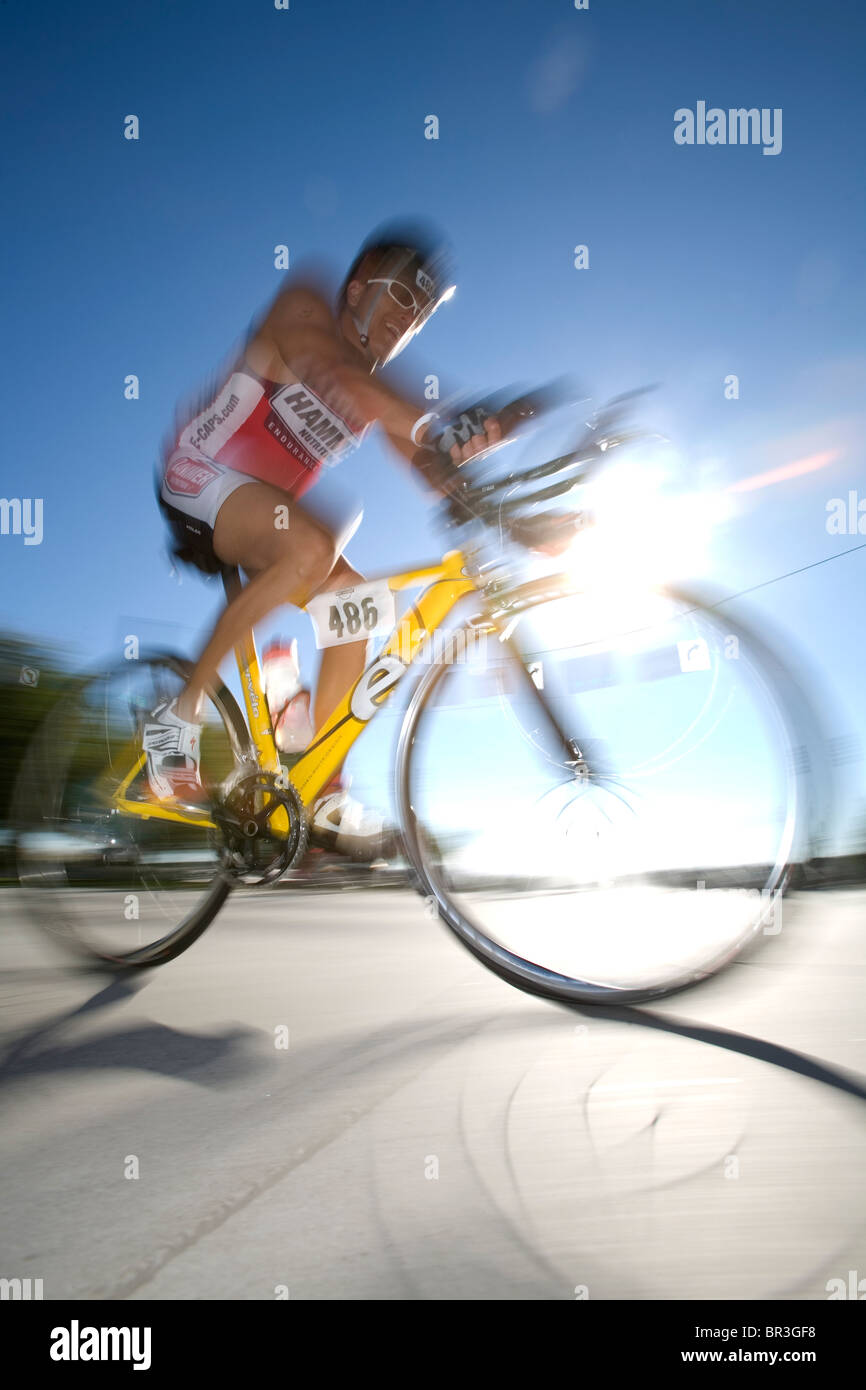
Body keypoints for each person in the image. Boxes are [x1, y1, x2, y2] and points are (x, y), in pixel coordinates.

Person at [144, 221, 505, 856]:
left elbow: (429, 466)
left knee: (357, 608)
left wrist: (500, 491)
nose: (409, 317)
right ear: (360, 285)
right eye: (400, 296)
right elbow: (343, 378)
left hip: (267, 515)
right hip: (199, 475)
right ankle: (176, 718)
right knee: (315, 544)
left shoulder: (376, 383)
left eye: (420, 312)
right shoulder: (306, 305)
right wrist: (434, 424)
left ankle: (316, 783)